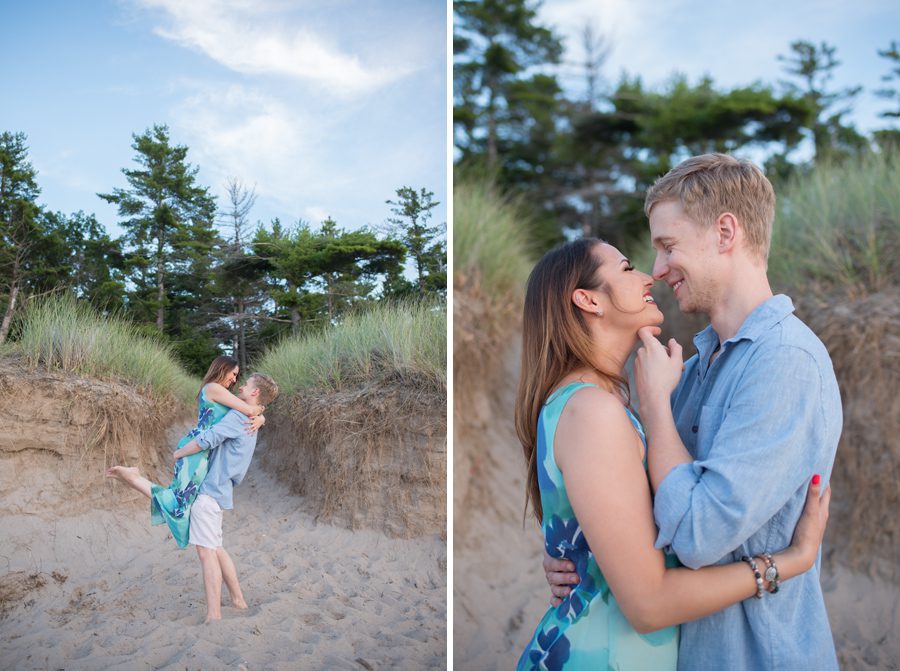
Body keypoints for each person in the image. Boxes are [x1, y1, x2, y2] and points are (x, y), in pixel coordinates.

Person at [542, 154, 842, 670]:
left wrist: (656, 408)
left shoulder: (786, 363)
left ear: (725, 232)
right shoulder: (702, 367)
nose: (657, 270)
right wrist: (587, 551)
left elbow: (699, 535)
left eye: (668, 246)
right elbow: (646, 506)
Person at [107, 372, 279, 623]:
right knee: (216, 548)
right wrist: (261, 415)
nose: (240, 385)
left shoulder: (239, 417)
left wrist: (178, 454)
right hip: (219, 493)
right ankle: (238, 600)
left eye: (246, 384)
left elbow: (207, 440)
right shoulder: (249, 418)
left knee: (206, 553)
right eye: (236, 378)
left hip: (209, 492)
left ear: (254, 392)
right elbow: (249, 413)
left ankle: (214, 615)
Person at [150, 355, 265, 549]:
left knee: (187, 496)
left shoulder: (224, 394)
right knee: (183, 495)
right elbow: (249, 409)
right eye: (234, 374)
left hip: (203, 447)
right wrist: (260, 416)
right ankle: (178, 525)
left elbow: (250, 407)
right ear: (223, 369)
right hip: (196, 446)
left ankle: (190, 532)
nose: (235, 380)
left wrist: (261, 417)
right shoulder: (213, 388)